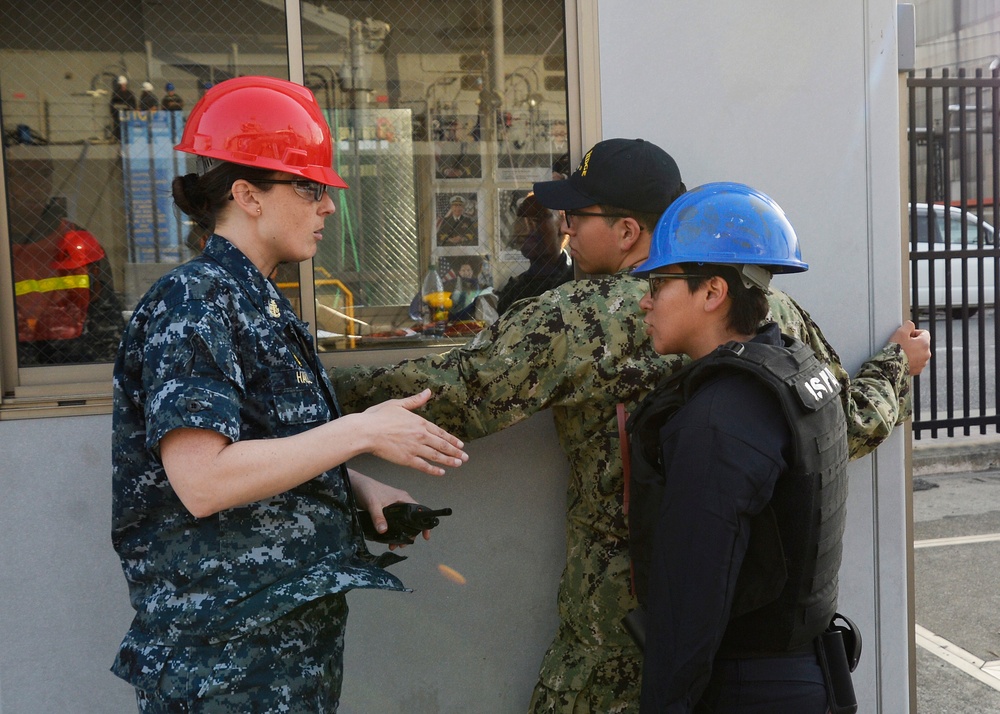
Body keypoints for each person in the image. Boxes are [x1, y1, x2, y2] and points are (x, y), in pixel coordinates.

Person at [331, 138, 930, 712]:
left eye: (576, 214)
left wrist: (308, 394)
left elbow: (452, 392)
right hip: (731, 641)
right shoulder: (766, 308)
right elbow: (845, 423)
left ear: (626, 231)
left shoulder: (576, 316)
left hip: (610, 635)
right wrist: (895, 365)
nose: (563, 226)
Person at [110, 76, 469, 712]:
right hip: (224, 663)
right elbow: (204, 481)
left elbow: (265, 445)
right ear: (246, 194)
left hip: (278, 653)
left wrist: (354, 487)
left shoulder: (258, 303)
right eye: (308, 187)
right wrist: (360, 430)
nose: (328, 206)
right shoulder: (194, 303)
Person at [627, 182, 848, 712]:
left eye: (659, 282)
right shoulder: (795, 368)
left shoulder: (717, 420)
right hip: (802, 671)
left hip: (749, 686)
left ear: (712, 293)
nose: (645, 299)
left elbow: (691, 603)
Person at [6, 149, 124, 365]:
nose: (35, 186)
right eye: (23, 175)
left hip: (74, 373)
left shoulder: (79, 244)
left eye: (43, 174)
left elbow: (106, 324)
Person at [496, 192, 573, 315]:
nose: (527, 226)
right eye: (521, 219)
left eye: (537, 218)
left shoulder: (575, 282)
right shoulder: (513, 291)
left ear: (562, 224)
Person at [110, 75, 137, 141]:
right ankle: (118, 138)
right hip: (118, 118)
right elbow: (112, 105)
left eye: (124, 84)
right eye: (122, 85)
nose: (123, 86)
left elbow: (134, 104)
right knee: (119, 129)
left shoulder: (129, 94)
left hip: (128, 116)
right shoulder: (116, 94)